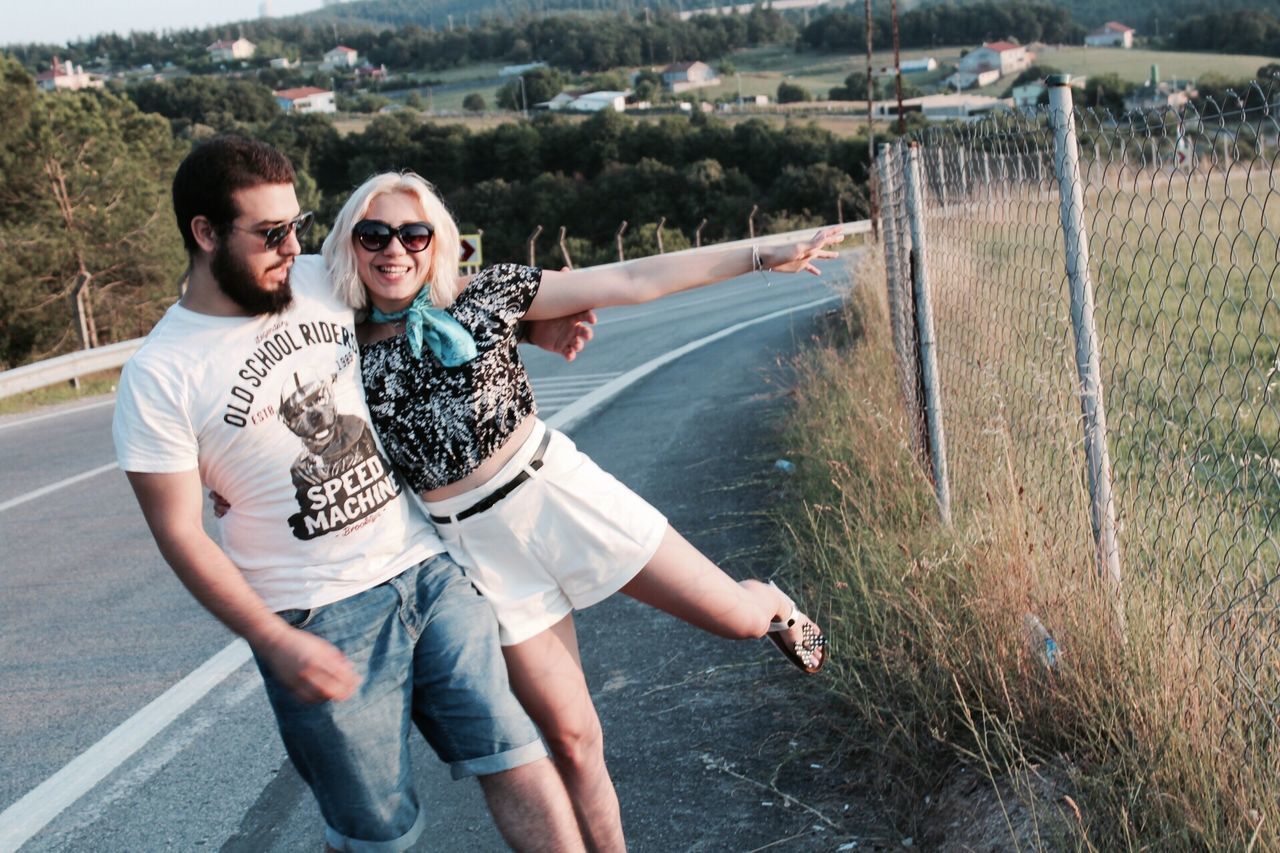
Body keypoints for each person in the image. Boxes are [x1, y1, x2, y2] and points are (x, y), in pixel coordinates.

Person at [322, 170, 840, 851]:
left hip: (560, 497)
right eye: (375, 234)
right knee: (571, 739)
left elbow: (628, 281)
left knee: (737, 619)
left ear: (437, 242)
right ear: (350, 246)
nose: (396, 249)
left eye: (413, 233)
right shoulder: (336, 348)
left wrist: (760, 255)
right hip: (478, 553)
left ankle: (771, 601)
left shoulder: (488, 293)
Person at [112, 135, 594, 853]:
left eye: (297, 226)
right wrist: (274, 639)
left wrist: (531, 326)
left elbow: (424, 294)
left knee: (516, 753)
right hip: (316, 616)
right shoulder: (160, 375)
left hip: (426, 569)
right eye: (270, 233)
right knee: (378, 832)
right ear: (205, 233)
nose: (291, 247)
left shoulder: (315, 277)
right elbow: (181, 535)